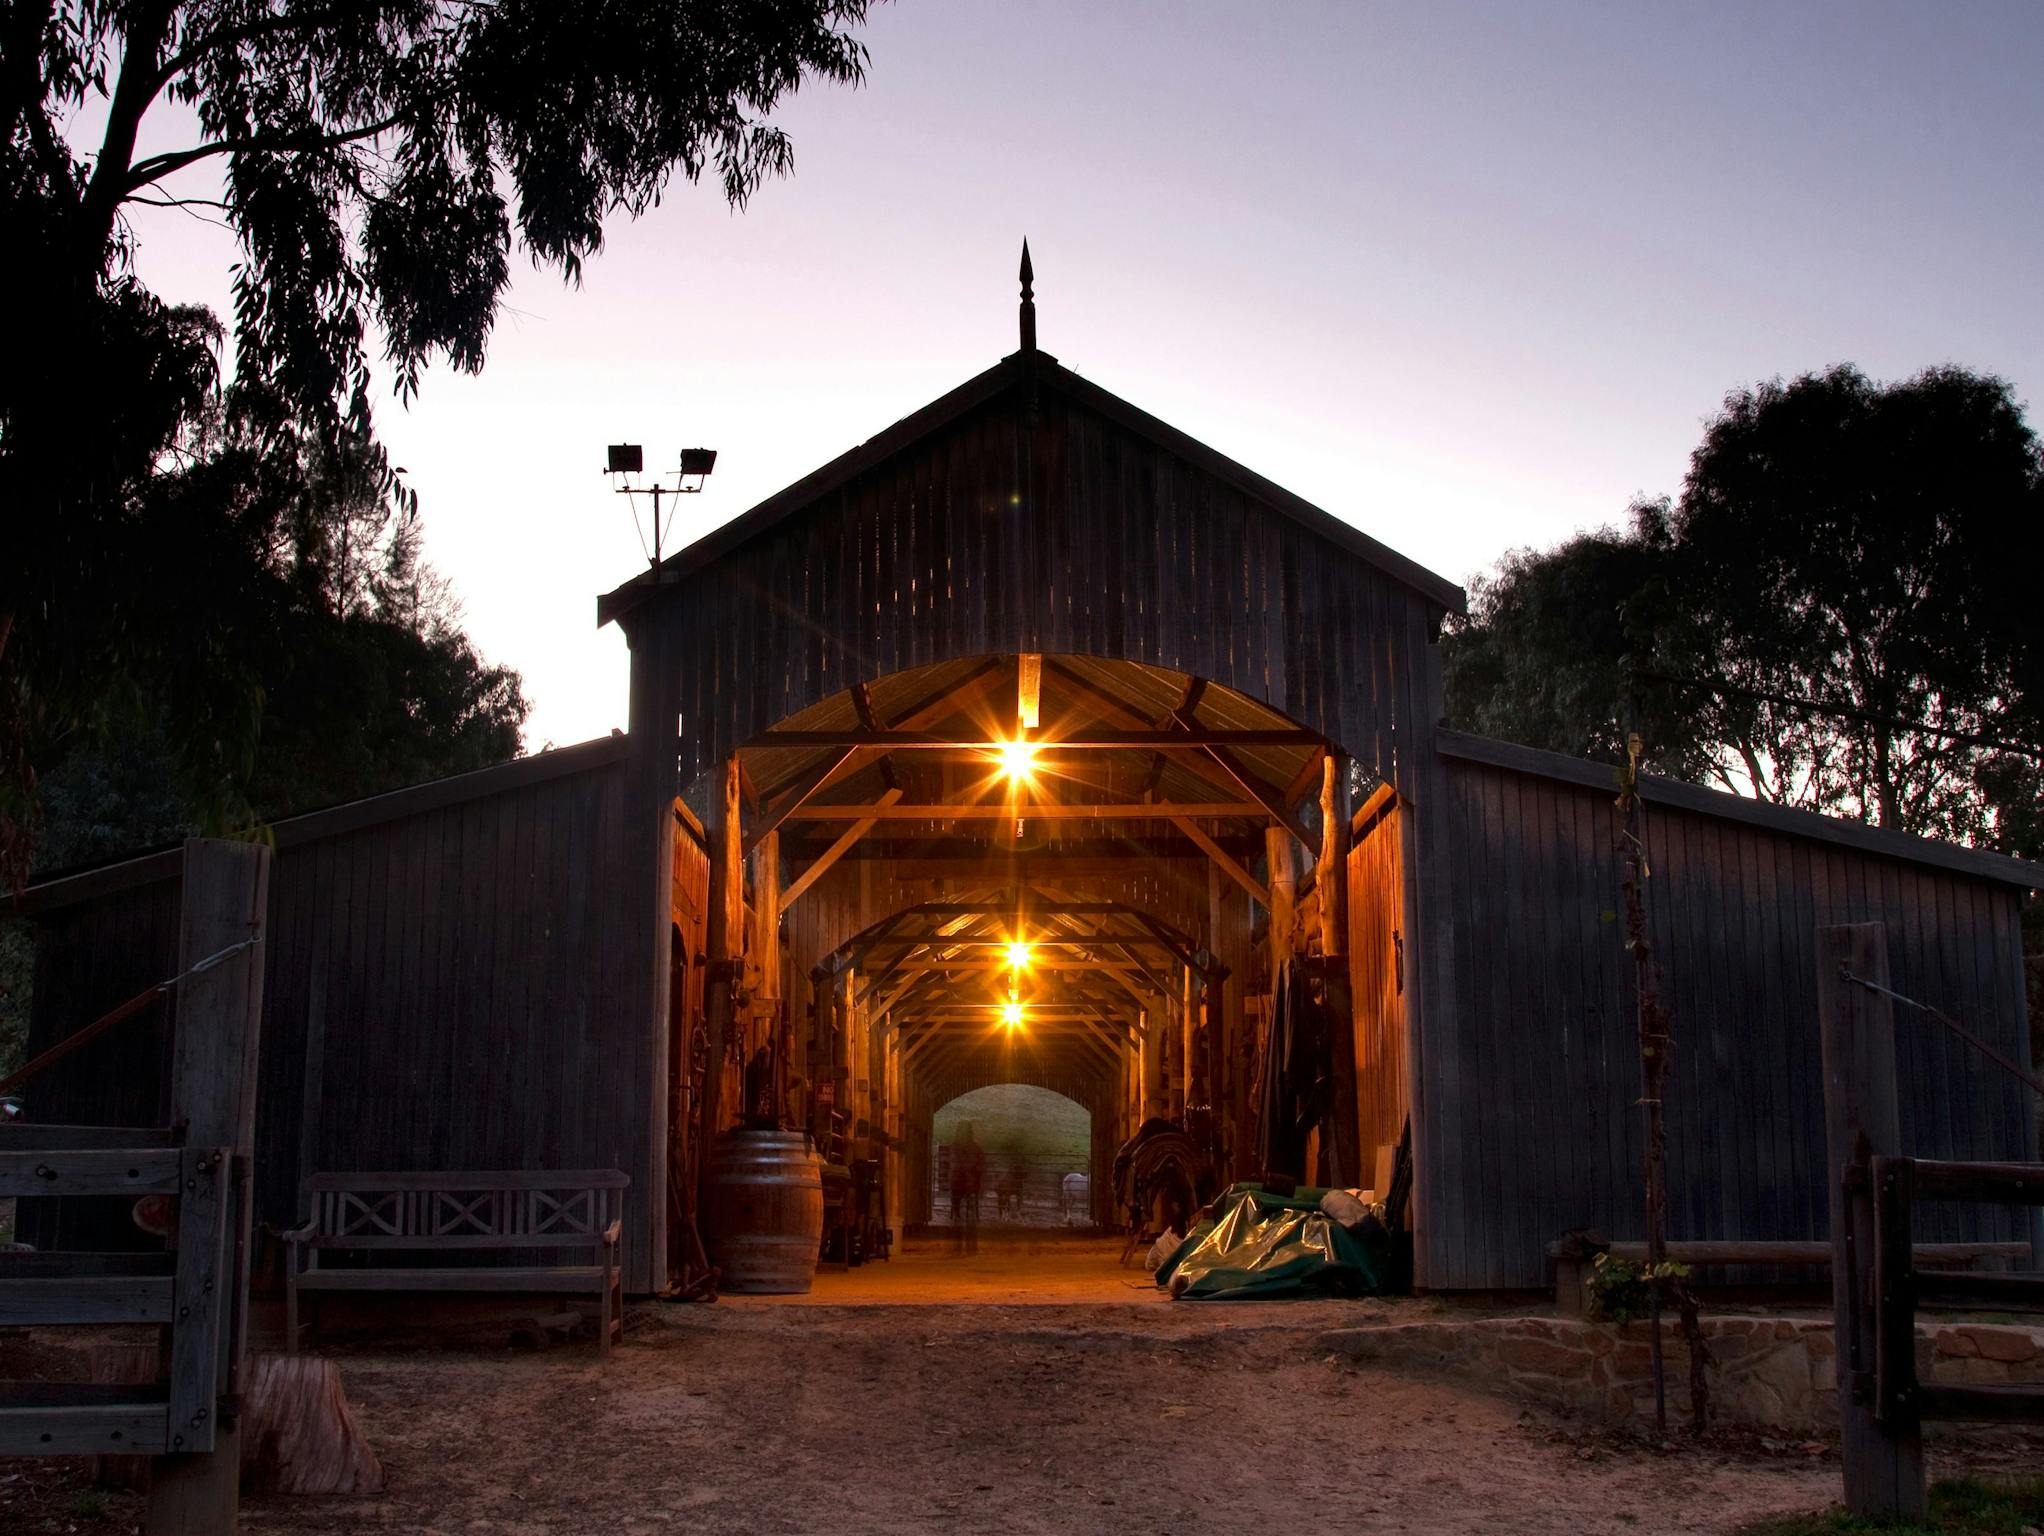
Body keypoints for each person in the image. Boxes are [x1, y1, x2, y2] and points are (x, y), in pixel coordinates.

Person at [948, 1122, 985, 1254]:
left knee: (957, 1214)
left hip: (957, 1184)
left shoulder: (954, 1147)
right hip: (970, 1185)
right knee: (970, 1215)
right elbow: (980, 1168)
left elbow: (952, 1166)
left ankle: (957, 1246)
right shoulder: (976, 1148)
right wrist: (979, 1185)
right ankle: (971, 1247)